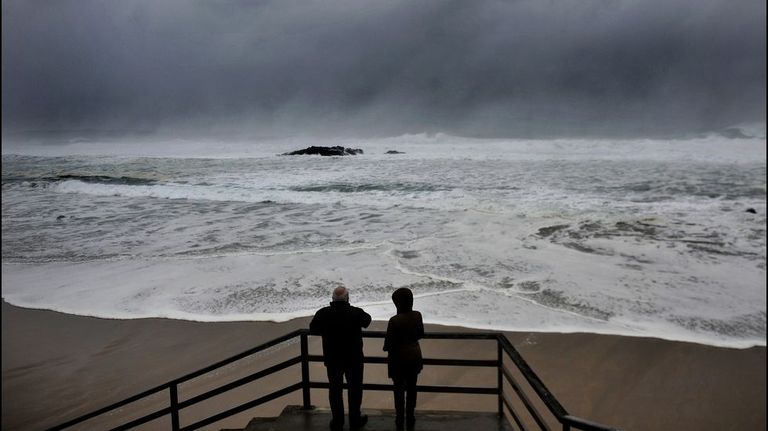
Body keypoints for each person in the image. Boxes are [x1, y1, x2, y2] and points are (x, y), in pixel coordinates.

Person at [309, 286, 372, 430]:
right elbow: (367, 321)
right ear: (348, 298)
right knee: (355, 389)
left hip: (333, 358)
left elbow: (313, 328)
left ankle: (337, 421)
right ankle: (355, 420)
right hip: (354, 358)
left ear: (332, 299)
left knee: (335, 390)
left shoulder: (323, 313)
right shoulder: (356, 313)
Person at [383, 288, 424, 430]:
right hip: (414, 355)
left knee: (398, 389)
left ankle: (399, 417)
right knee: (412, 387)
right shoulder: (417, 315)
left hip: (398, 359)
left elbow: (388, 345)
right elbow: (421, 334)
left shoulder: (394, 320)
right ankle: (410, 415)